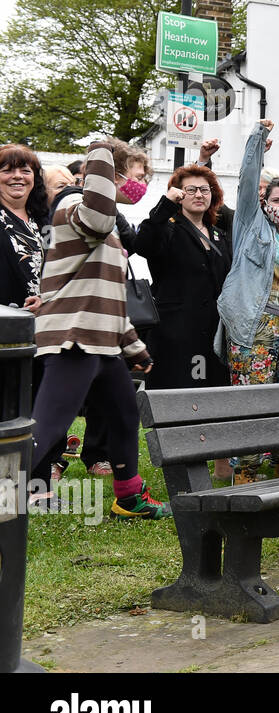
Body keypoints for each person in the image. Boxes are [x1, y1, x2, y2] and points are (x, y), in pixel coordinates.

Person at [29, 139, 167, 518]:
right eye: (135, 177)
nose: (138, 186)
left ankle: (129, 497)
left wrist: (133, 347)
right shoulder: (75, 207)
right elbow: (98, 216)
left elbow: (105, 297)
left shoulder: (109, 231)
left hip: (102, 343)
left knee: (124, 418)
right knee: (49, 425)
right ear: (113, 175)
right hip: (74, 338)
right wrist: (102, 153)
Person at [216, 120, 279, 484]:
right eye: (277, 199)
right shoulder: (249, 227)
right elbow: (247, 178)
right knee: (254, 403)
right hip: (254, 327)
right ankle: (246, 473)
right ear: (264, 202)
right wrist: (257, 138)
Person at [133, 164, 231, 392]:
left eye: (204, 190)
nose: (199, 195)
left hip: (214, 334)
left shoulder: (219, 234)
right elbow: (142, 244)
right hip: (175, 334)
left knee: (213, 397)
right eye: (191, 190)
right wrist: (165, 205)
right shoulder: (167, 229)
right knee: (177, 396)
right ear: (178, 195)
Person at [1, 144, 49, 311]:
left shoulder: (44, 220)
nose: (17, 176)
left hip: (42, 320)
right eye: (7, 171)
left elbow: (57, 262)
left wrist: (46, 297)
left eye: (25, 171)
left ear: (35, 178)